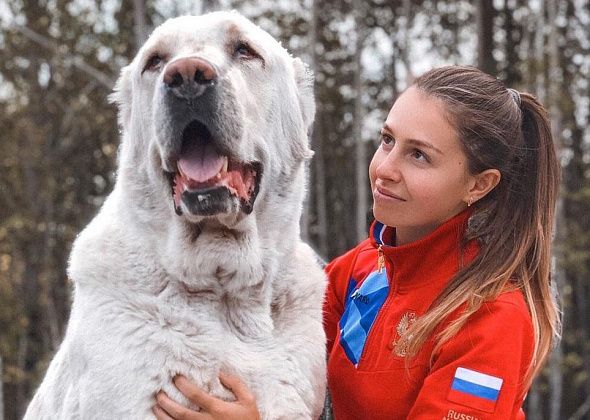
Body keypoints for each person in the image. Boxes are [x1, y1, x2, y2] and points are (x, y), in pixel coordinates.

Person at [152, 65, 561, 419]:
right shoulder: (361, 269)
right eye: (387, 140)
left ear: (478, 185)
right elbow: (268, 349)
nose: (385, 168)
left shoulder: (490, 318)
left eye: (418, 155)